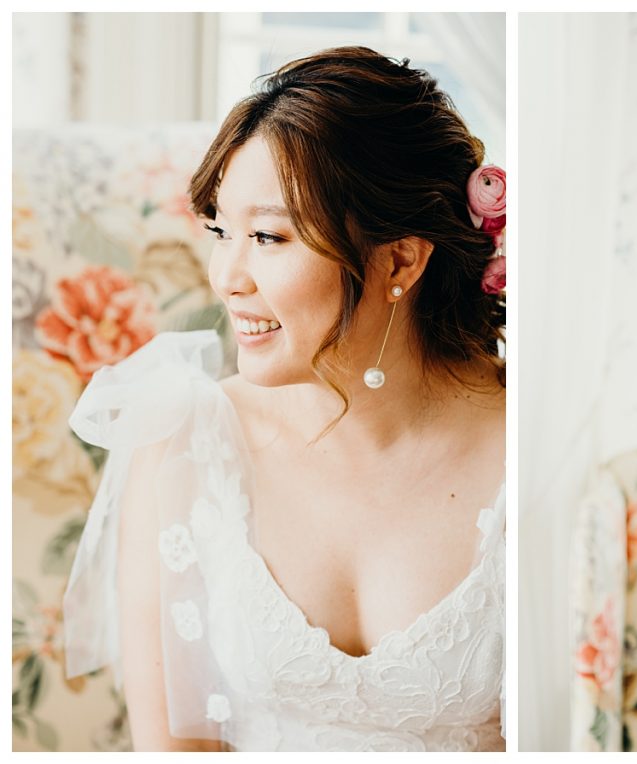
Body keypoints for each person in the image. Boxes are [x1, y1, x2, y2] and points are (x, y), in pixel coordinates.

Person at [63, 46, 507, 752]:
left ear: (399, 260)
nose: (227, 277)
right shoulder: (183, 442)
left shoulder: (527, 456)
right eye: (220, 231)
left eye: (268, 236)